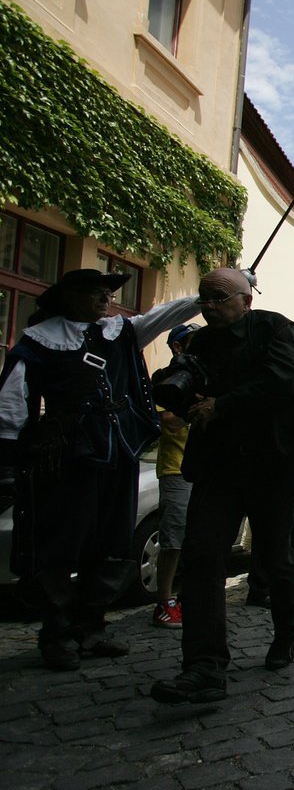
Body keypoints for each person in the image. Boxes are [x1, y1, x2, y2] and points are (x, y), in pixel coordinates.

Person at [0, 270, 198, 670]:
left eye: (107, 292)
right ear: (68, 297)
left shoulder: (119, 332)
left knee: (109, 545)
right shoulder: (39, 342)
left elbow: (164, 315)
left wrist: (207, 295)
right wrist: (8, 461)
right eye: (94, 292)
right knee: (59, 548)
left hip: (118, 455)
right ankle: (56, 634)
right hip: (65, 460)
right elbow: (11, 404)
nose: (105, 298)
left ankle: (92, 628)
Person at [151, 268, 294, 703]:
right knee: (202, 555)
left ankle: (288, 627)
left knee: (273, 557)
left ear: (245, 300)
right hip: (220, 466)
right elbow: (185, 389)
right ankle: (204, 668)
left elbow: (282, 381)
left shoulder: (276, 328)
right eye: (204, 298)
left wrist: (222, 405)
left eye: (218, 298)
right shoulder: (201, 343)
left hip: (272, 463)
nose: (208, 306)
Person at [150, 323, 200, 628]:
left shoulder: (204, 374)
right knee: (173, 540)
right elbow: (169, 421)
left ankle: (188, 597)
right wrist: (200, 406)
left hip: (204, 468)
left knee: (198, 539)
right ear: (178, 347)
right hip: (176, 469)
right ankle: (164, 601)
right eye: (193, 342)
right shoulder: (165, 378)